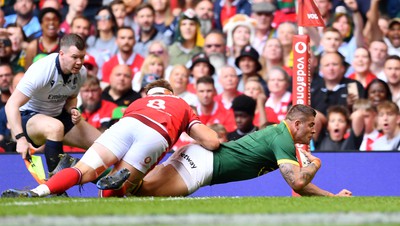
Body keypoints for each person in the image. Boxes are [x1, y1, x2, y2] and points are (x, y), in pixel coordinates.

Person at [1, 79, 221, 198]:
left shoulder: (136, 103)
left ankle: (37, 191)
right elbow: (212, 142)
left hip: (126, 124)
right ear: (170, 93)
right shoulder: (181, 104)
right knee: (116, 190)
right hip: (156, 134)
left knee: (82, 171)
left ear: (149, 94)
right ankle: (115, 182)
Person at [100, 104, 352, 197]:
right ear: (296, 124)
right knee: (140, 194)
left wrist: (332, 197)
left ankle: (124, 168)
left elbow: (299, 183)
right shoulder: (283, 138)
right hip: (200, 168)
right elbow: (297, 182)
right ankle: (125, 169)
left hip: (195, 156)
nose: (313, 131)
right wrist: (315, 165)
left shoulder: (280, 135)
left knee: (134, 190)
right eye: (310, 125)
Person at [4, 34, 102, 177]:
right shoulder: (42, 70)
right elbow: (11, 105)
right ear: (61, 54)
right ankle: (55, 186)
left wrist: (72, 109)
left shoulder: (81, 73)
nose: (79, 62)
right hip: (28, 118)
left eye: (82, 57)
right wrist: (20, 139)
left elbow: (71, 98)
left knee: (103, 143)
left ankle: (114, 184)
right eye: (74, 57)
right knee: (55, 127)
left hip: (57, 115)